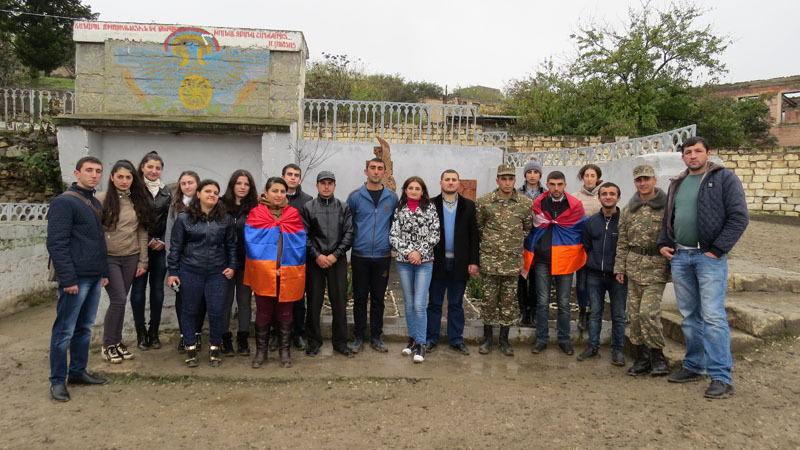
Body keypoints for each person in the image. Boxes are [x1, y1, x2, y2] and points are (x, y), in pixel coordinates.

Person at [659, 136, 749, 399]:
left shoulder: (724, 179)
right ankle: (694, 365)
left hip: (708, 258)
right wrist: (664, 243)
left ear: (708, 154)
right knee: (689, 315)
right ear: (683, 156)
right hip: (681, 257)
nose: (693, 156)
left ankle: (721, 376)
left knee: (712, 317)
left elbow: (739, 217)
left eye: (698, 151)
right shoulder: (678, 182)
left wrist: (717, 250)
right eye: (688, 152)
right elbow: (670, 216)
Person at [46, 156, 110, 402]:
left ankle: (77, 372)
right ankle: (57, 381)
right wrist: (68, 278)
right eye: (89, 170)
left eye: (98, 171)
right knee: (64, 331)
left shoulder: (94, 201)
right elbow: (56, 243)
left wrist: (103, 273)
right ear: (77, 173)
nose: (94, 175)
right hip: (75, 279)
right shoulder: (64, 202)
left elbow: (97, 241)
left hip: (93, 277)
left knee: (84, 329)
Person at [167, 179, 236, 368]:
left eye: (215, 192)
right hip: (190, 271)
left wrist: (232, 266)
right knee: (189, 311)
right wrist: (173, 272)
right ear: (198, 194)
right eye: (208, 191)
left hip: (217, 272)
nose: (212, 195)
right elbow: (175, 247)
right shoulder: (184, 218)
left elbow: (232, 245)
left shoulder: (225, 219)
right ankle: (190, 347)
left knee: (216, 311)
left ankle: (215, 346)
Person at [245, 177, 307, 368]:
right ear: (266, 192)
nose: (279, 195)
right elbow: (252, 244)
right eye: (275, 191)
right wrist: (270, 268)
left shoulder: (293, 214)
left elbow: (299, 244)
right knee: (263, 312)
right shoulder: (256, 214)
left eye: (282, 191)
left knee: (286, 312)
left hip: (288, 270)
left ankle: (285, 351)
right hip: (264, 271)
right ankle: (261, 352)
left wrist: (284, 267)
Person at [614, 165, 670, 377]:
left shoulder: (666, 207)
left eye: (646, 179)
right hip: (634, 266)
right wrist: (620, 267)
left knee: (649, 313)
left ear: (655, 180)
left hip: (656, 267)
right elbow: (622, 240)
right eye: (639, 180)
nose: (643, 183)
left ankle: (658, 356)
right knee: (635, 316)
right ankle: (642, 357)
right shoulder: (629, 209)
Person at [96, 160, 153, 364]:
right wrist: (99, 265)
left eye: (128, 177)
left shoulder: (137, 201)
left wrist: (142, 262)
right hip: (109, 258)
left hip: (131, 258)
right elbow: (95, 233)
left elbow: (142, 233)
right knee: (118, 300)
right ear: (112, 177)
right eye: (120, 176)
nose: (124, 180)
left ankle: (116, 342)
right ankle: (107, 345)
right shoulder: (101, 199)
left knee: (121, 301)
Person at [476, 164, 533, 356]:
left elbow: (526, 229)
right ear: (497, 180)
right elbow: (479, 227)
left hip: (512, 263)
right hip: (490, 261)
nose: (507, 182)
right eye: (503, 179)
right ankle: (487, 340)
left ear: (515, 180)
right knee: (489, 301)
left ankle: (504, 340)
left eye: (510, 179)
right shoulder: (484, 202)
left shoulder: (525, 204)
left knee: (509, 302)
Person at [526, 171, 586, 356]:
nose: (556, 188)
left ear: (565, 184)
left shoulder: (575, 206)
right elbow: (532, 228)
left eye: (560, 184)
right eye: (552, 184)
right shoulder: (538, 204)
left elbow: (580, 230)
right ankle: (541, 339)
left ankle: (564, 339)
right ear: (548, 185)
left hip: (565, 260)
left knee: (564, 302)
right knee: (542, 302)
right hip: (543, 259)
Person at [346, 158, 399, 353]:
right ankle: (359, 336)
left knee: (378, 298)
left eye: (380, 169)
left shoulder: (392, 198)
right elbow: (348, 225)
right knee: (359, 297)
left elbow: (396, 226)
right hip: (360, 255)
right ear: (366, 170)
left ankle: (376, 336)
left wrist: (392, 247)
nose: (376, 172)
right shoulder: (354, 197)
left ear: (384, 172)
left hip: (382, 256)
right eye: (372, 168)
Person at [300, 171, 354, 357]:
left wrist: (335, 255)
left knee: (339, 302)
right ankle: (313, 342)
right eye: (323, 183)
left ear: (334, 185)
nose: (326, 186)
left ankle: (340, 342)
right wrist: (317, 256)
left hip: (336, 261)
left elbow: (349, 234)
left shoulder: (343, 207)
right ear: (317, 185)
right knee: (314, 302)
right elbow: (304, 235)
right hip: (315, 261)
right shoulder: (308, 207)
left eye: (330, 183)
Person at [426, 169, 479, 355]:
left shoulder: (469, 206)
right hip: (436, 263)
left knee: (456, 304)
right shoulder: (431, 204)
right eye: (447, 179)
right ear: (441, 182)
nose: (450, 183)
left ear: (458, 183)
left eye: (453, 180)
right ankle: (431, 338)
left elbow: (474, 236)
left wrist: (474, 261)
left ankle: (456, 340)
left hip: (460, 263)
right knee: (434, 303)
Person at [390, 176, 440, 363]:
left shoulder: (430, 208)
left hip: (424, 262)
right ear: (405, 190)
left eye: (417, 188)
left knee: (419, 304)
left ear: (422, 191)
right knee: (409, 303)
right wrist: (409, 252)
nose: (413, 191)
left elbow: (435, 234)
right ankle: (412, 341)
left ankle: (421, 343)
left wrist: (419, 252)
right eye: (410, 187)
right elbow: (393, 235)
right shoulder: (399, 209)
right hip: (404, 261)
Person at [576, 182, 627, 365]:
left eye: (612, 194)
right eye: (604, 194)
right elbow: (587, 246)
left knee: (619, 314)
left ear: (618, 197)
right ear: (599, 198)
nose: (608, 197)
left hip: (617, 276)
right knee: (595, 312)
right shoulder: (591, 222)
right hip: (595, 274)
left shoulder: (624, 221)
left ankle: (617, 350)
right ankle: (592, 347)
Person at [129, 151, 171, 351]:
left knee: (157, 290)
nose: (154, 171)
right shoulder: (133, 190)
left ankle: (154, 331)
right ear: (142, 168)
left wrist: (162, 240)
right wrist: (147, 241)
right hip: (138, 247)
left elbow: (169, 220)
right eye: (150, 167)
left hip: (160, 248)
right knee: (138, 291)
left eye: (158, 167)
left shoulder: (166, 192)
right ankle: (140, 332)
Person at [165, 170, 205, 352]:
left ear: (198, 185)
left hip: (203, 261)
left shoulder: (206, 204)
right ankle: (184, 335)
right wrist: (172, 261)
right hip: (181, 261)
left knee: (201, 299)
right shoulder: (175, 206)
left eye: (191, 182)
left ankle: (197, 333)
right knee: (183, 299)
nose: (187, 186)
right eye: (183, 183)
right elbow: (170, 235)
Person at [220, 170, 259, 356]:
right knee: (225, 302)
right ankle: (225, 339)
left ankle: (243, 339)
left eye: (246, 184)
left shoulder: (255, 207)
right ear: (232, 185)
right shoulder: (220, 205)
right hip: (225, 263)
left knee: (244, 302)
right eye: (239, 183)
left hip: (246, 262)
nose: (242, 187)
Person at [278, 163, 313, 351]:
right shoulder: (274, 198)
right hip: (276, 256)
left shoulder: (307, 201)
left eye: (296, 175)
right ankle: (278, 334)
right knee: (277, 296)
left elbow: (309, 229)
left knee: (298, 298)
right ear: (283, 176)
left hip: (298, 256)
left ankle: (298, 333)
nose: (293, 178)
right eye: (289, 174)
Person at [573, 164, 603, 332]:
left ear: (597, 177)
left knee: (596, 283)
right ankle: (582, 311)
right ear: (582, 177)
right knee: (582, 283)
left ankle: (594, 312)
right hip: (581, 246)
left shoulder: (604, 195)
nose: (590, 179)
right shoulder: (575, 197)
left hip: (599, 249)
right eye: (586, 175)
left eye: (593, 175)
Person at [517, 156, 546, 327]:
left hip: (540, 242)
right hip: (522, 242)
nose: (533, 175)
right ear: (525, 175)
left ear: (540, 175)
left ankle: (534, 312)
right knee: (521, 279)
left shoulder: (546, 194)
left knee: (536, 278)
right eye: (529, 172)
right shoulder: (518, 193)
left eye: (536, 172)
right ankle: (523, 312)